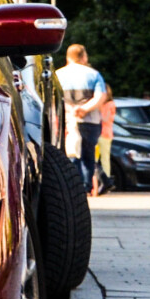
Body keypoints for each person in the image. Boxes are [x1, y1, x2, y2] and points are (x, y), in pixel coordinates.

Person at [56, 45, 112, 195]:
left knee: (71, 153)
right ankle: (87, 186)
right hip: (90, 120)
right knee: (88, 155)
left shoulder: (58, 75)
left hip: (68, 120)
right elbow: (101, 96)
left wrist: (72, 109)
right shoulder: (93, 74)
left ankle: (74, 186)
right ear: (84, 57)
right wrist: (84, 109)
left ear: (68, 57)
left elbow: (55, 99)